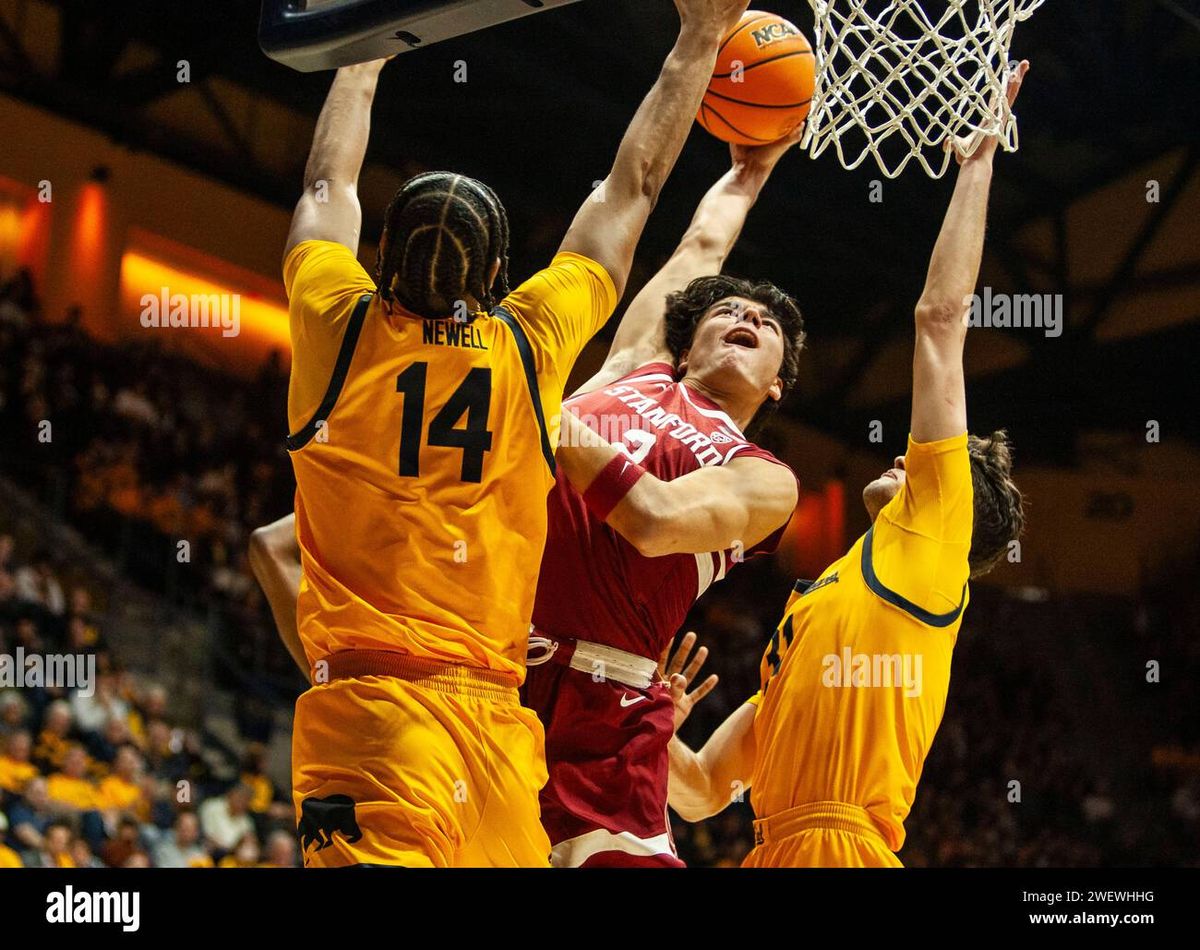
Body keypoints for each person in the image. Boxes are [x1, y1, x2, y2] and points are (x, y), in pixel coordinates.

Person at [255, 0, 754, 868]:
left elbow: (323, 189)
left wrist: (361, 52)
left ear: (375, 256)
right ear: (495, 277)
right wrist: (700, 37)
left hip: (373, 710)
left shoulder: (334, 326)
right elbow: (626, 192)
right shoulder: (526, 344)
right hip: (491, 718)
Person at [664, 64, 1031, 867]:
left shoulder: (932, 544)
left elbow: (939, 320)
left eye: (930, 464)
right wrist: (648, 716)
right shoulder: (813, 619)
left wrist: (979, 165)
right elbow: (697, 790)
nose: (907, 454)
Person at [522, 132, 805, 867]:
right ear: (684, 342)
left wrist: (533, 404)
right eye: (731, 311)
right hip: (488, 664)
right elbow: (699, 246)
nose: (750, 318)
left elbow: (652, 521)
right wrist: (748, 174)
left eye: (769, 326)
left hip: (607, 719)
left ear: (776, 385)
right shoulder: (636, 367)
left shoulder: (763, 476)